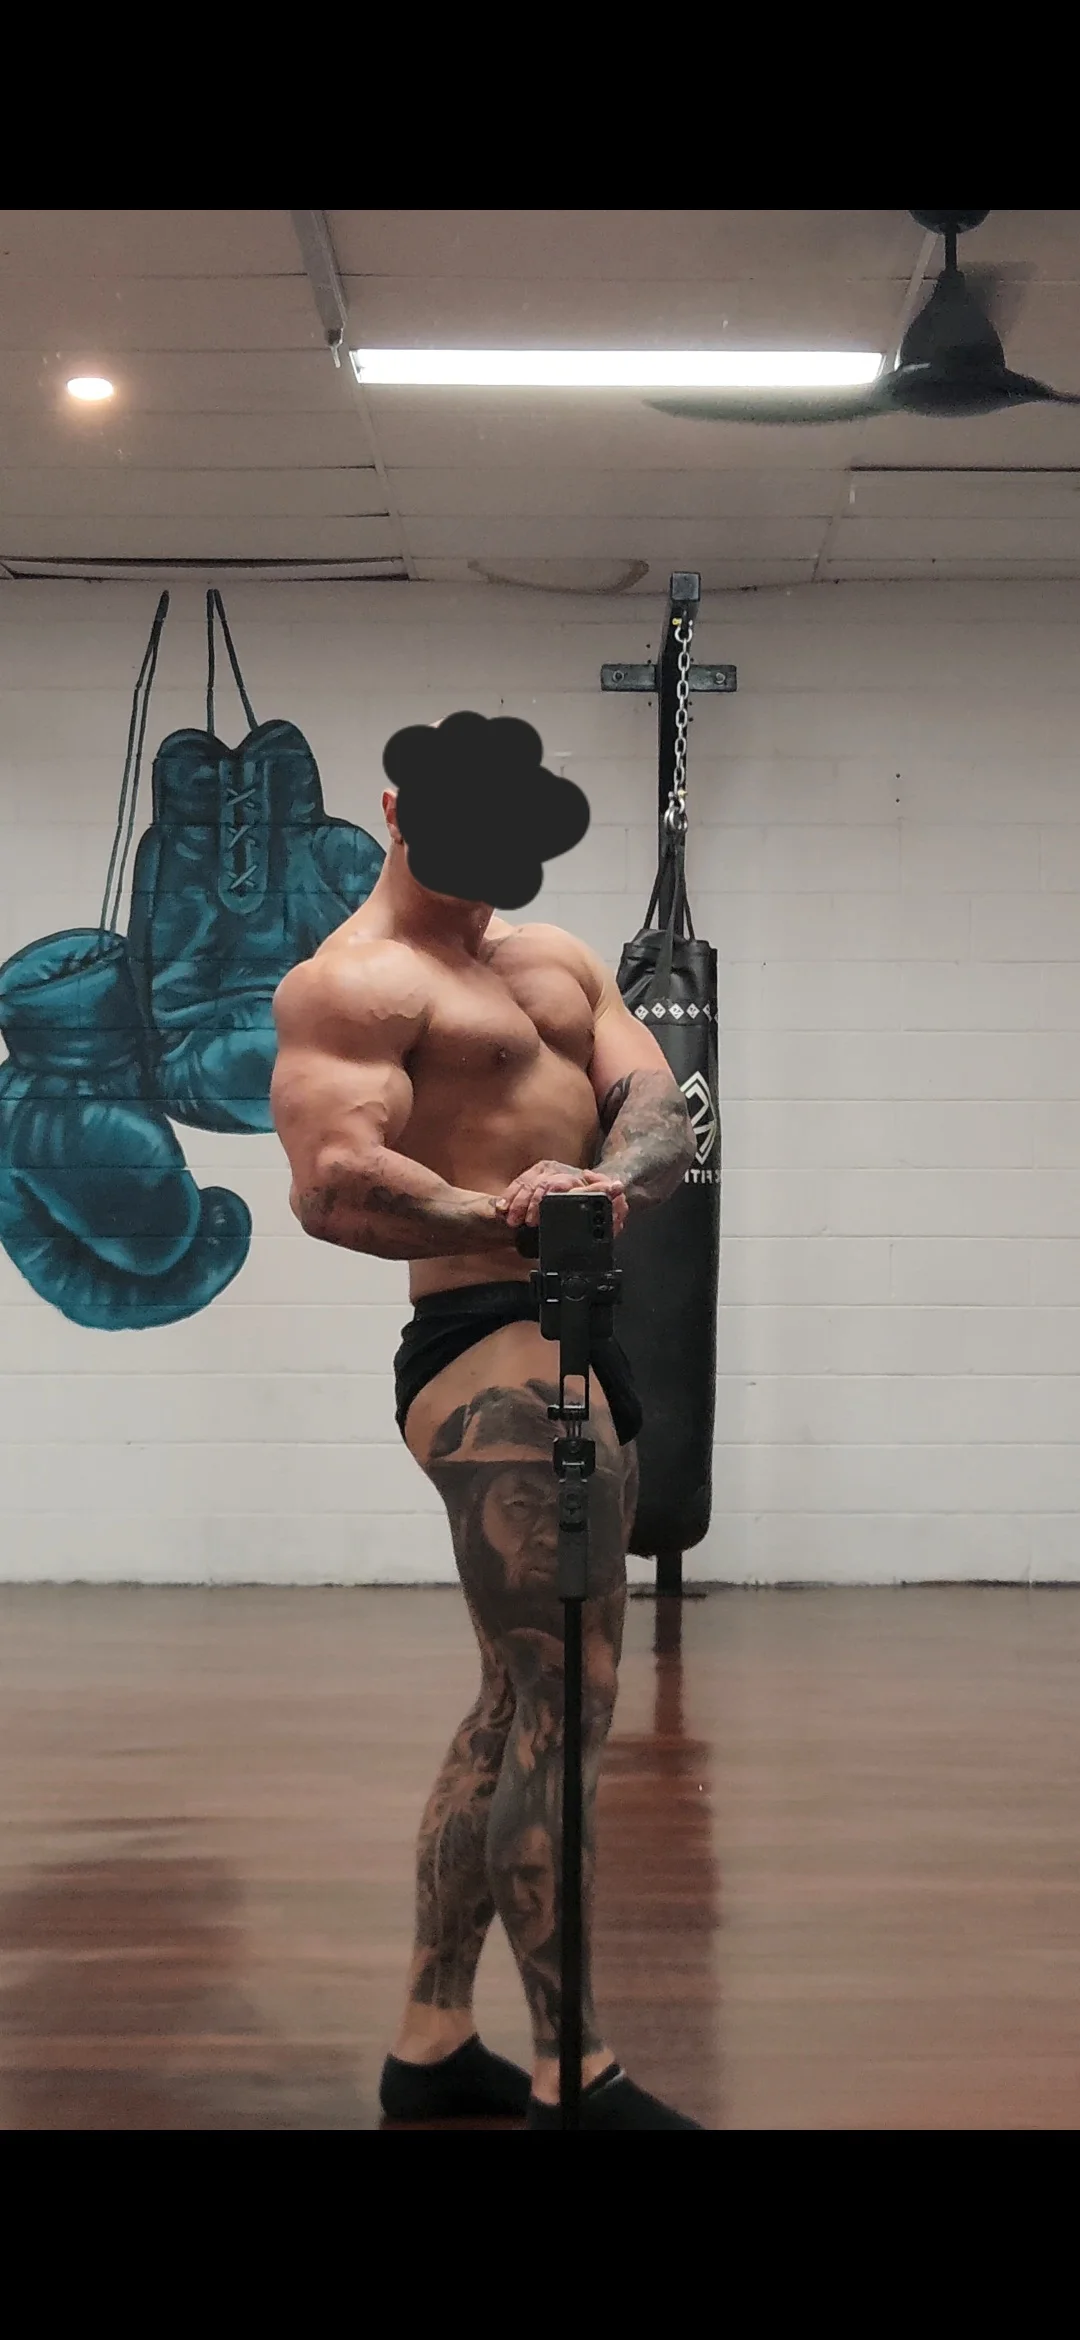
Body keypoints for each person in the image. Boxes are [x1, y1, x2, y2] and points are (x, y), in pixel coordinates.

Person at [270, 771, 701, 2131]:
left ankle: (432, 2042)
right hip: (486, 1356)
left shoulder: (555, 959)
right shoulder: (354, 985)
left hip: (580, 1332)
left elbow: (663, 1111)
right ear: (399, 810)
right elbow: (332, 1184)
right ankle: (576, 2072)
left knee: (514, 1705)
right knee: (567, 1710)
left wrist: (600, 1183)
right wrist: (501, 1212)